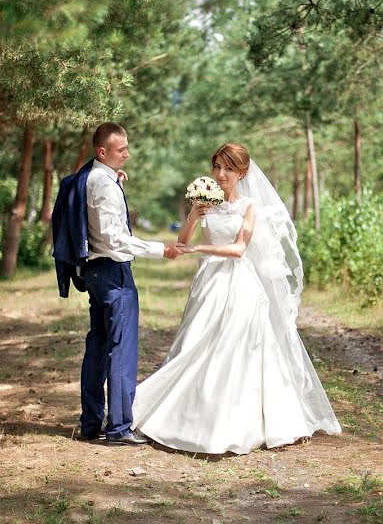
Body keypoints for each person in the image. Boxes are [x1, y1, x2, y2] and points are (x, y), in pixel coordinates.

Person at [131, 143, 341, 454]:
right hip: (209, 284)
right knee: (195, 346)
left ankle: (238, 421)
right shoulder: (207, 203)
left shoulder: (249, 206)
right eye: (217, 167)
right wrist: (192, 216)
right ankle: (187, 415)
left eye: (228, 168)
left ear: (242, 173)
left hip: (239, 283)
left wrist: (201, 250)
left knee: (239, 347)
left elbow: (239, 249)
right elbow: (182, 241)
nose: (221, 174)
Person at [52, 122, 181, 446]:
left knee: (97, 347)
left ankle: (90, 422)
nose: (127, 154)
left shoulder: (89, 178)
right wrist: (159, 249)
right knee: (120, 350)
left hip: (93, 274)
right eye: (121, 150)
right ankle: (120, 427)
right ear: (102, 152)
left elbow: (96, 203)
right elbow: (114, 240)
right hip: (112, 272)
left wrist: (115, 179)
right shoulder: (105, 186)